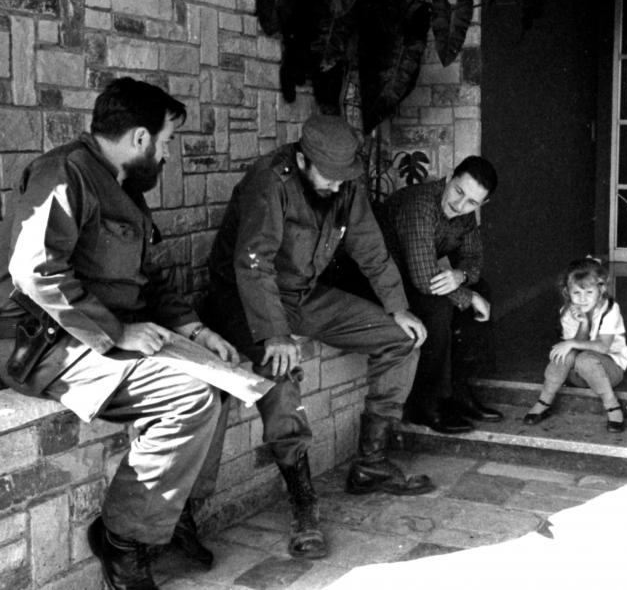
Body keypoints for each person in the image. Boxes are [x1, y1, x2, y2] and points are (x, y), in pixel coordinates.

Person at [0, 78, 240, 590]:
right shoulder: (64, 173)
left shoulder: (124, 187)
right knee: (191, 395)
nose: (169, 155)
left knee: (221, 379)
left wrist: (195, 330)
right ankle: (121, 538)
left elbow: (149, 276)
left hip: (100, 342)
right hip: (46, 344)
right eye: (167, 141)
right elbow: (34, 271)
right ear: (139, 139)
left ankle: (168, 517)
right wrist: (118, 331)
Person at [202, 113, 434, 561]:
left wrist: (397, 306)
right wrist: (273, 334)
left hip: (302, 296)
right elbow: (253, 263)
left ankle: (371, 461)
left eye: (344, 179)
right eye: (328, 178)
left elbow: (370, 245)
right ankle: (303, 504)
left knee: (400, 338)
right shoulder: (269, 180)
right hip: (244, 300)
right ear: (304, 160)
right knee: (281, 375)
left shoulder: (344, 181)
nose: (335, 187)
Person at [381, 156, 503, 434]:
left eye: (472, 202)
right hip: (378, 282)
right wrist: (468, 298)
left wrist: (461, 277)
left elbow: (472, 258)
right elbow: (425, 280)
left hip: (410, 278)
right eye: (459, 192)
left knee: (481, 288)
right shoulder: (420, 204)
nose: (460, 205)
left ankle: (458, 393)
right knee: (438, 305)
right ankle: (425, 405)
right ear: (449, 179)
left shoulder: (466, 213)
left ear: (482, 204)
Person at [522, 257, 627, 432]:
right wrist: (584, 324)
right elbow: (576, 348)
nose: (582, 299)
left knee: (583, 358)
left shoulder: (610, 308)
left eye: (589, 292)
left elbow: (603, 347)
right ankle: (544, 402)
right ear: (567, 292)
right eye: (577, 293)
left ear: (600, 290)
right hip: (578, 376)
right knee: (565, 354)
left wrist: (571, 342)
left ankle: (612, 405)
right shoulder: (567, 312)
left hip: (610, 372)